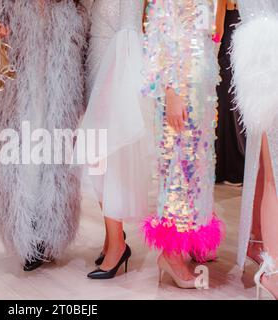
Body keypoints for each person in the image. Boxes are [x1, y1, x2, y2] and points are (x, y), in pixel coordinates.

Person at [0, 0, 88, 271]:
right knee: (22, 166)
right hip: (18, 100)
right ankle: (26, 236)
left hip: (58, 98)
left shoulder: (71, 8)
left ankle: (48, 236)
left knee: (53, 167)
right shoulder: (4, 4)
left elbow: (82, 53)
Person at [142, 0, 223, 289]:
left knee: (197, 169)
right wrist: (172, 89)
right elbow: (161, 28)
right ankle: (171, 253)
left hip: (201, 80)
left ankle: (189, 240)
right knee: (176, 169)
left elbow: (209, 24)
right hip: (180, 82)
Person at [81, 0, 154, 280]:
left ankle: (117, 244)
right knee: (96, 156)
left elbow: (129, 24)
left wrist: (113, 81)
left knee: (105, 155)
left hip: (114, 67)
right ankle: (113, 237)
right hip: (95, 61)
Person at [232, 0, 278, 300]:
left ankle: (259, 244)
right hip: (265, 53)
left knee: (268, 162)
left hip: (263, 49)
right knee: (273, 162)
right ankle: (273, 272)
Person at [214, 0, 246, 186]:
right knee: (229, 97)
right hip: (233, 23)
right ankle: (228, 166)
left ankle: (232, 166)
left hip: (234, 25)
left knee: (231, 98)